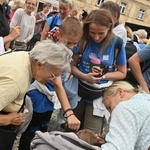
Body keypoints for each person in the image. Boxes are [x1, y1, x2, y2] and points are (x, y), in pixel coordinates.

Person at [0, 40, 79, 149]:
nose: (53, 80)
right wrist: (7, 119)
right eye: (53, 75)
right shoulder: (15, 81)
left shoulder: (26, 57)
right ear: (39, 64)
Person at [18, 17, 83, 150]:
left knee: (43, 129)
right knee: (31, 130)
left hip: (49, 99)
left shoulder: (68, 52)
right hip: (38, 95)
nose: (71, 47)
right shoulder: (52, 52)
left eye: (74, 44)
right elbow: (58, 83)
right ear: (59, 35)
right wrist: (69, 112)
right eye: (68, 43)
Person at [71, 9, 126, 134]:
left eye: (101, 33)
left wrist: (103, 76)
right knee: (71, 130)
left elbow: (122, 73)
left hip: (99, 95)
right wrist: (85, 76)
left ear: (109, 28)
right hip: (79, 90)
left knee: (91, 135)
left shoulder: (116, 42)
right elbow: (72, 66)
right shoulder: (83, 39)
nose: (96, 37)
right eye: (92, 32)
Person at [99, 81, 150, 150]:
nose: (111, 115)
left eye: (110, 107)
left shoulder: (124, 107)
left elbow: (117, 147)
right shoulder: (146, 100)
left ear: (120, 93)